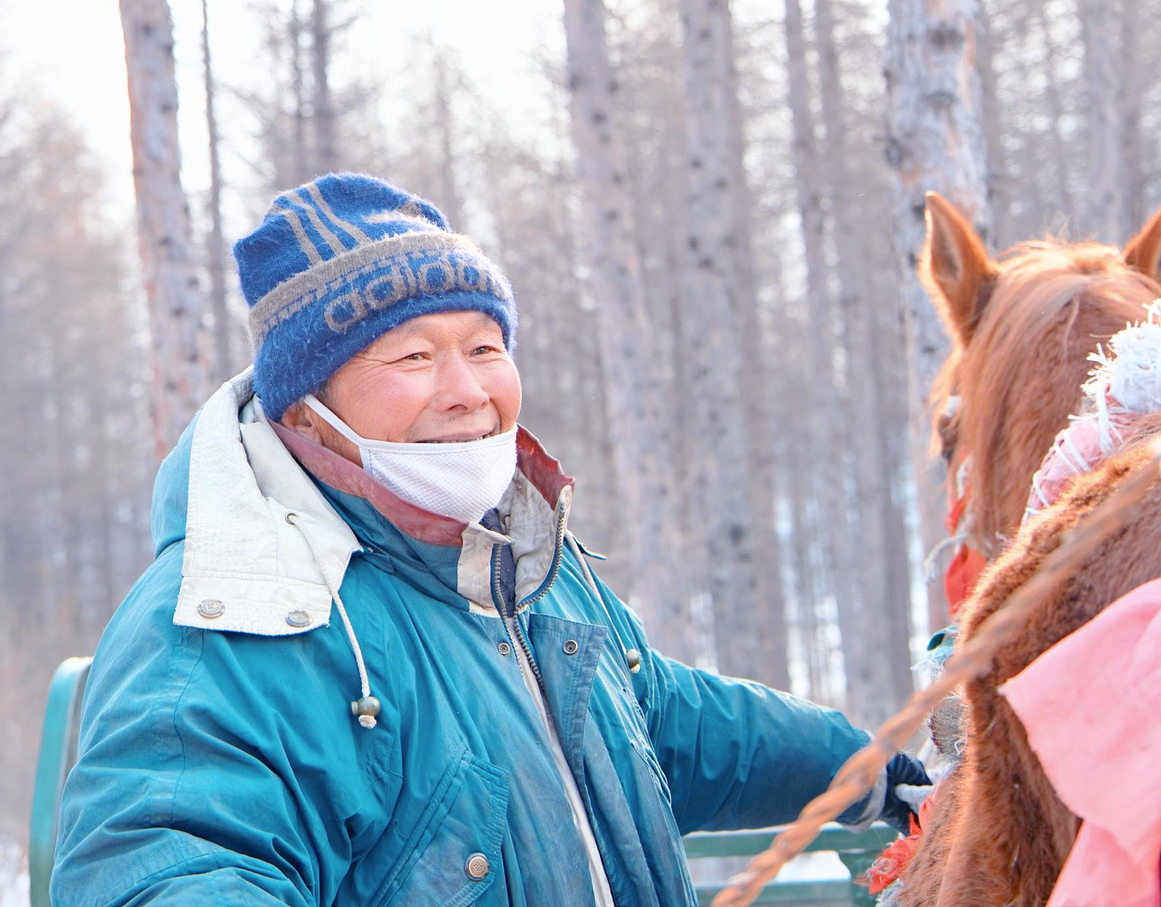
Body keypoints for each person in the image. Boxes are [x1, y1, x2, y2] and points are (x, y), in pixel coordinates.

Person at [51, 173, 925, 906]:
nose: (467, 390)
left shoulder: (518, 561)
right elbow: (165, 863)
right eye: (413, 358)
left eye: (485, 345)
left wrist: (868, 768)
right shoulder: (234, 617)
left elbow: (656, 722)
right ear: (303, 407)